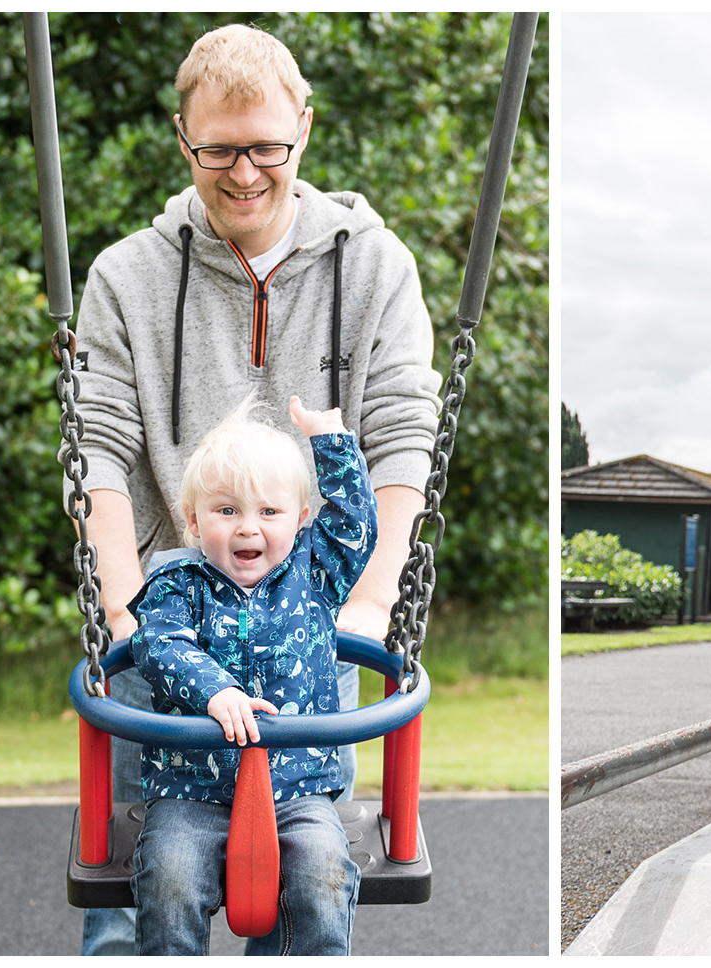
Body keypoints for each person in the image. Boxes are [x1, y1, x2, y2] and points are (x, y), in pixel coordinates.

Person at [73, 24, 440, 953]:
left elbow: (403, 438)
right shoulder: (127, 278)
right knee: (140, 888)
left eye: (266, 148)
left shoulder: (375, 266)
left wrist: (370, 596)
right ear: (181, 138)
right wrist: (123, 614)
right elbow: (101, 455)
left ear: (304, 132)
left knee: (310, 882)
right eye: (219, 149)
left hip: (312, 620)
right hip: (168, 612)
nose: (243, 173)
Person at [130, 397, 370, 955]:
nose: (248, 528)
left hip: (297, 788)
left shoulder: (315, 576)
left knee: (322, 878)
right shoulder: (176, 582)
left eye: (269, 512)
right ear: (193, 520)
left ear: (302, 519)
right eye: (226, 511)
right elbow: (157, 643)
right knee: (169, 879)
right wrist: (216, 691)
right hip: (192, 789)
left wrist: (331, 442)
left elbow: (356, 526)